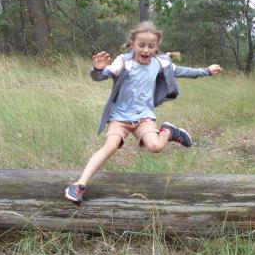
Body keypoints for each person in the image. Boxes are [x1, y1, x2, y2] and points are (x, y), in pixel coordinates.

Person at [64, 21, 223, 205]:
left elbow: (182, 71)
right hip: (120, 117)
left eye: (151, 46)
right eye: (141, 45)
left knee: (155, 146)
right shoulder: (123, 62)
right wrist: (98, 69)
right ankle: (79, 185)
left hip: (143, 116)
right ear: (133, 44)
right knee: (110, 147)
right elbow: (101, 76)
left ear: (156, 47)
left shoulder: (160, 62)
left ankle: (168, 131)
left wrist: (206, 71)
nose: (146, 50)